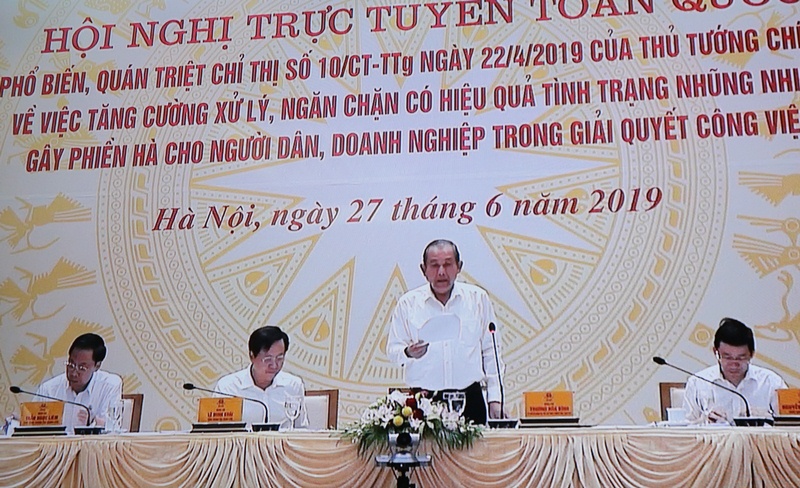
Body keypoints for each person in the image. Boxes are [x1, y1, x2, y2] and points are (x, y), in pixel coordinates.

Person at [387, 239, 505, 425]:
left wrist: (495, 399)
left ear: (459, 267)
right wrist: (408, 352)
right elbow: (393, 351)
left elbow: (491, 352)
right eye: (434, 265)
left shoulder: (477, 299)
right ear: (423, 270)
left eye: (448, 264)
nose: (441, 272)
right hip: (424, 403)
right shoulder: (408, 304)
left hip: (469, 399)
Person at [683, 318, 788, 424]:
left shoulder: (771, 382)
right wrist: (704, 422)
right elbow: (684, 427)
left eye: (740, 358)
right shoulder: (697, 383)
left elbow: (791, 424)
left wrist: (768, 419)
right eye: (727, 357)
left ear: (751, 354)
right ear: (716, 352)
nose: (734, 364)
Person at [214, 325, 309, 429]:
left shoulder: (293, 385)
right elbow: (218, 431)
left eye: (279, 358)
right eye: (267, 359)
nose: (274, 365)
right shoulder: (228, 388)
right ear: (252, 356)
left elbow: (301, 429)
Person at [35, 333, 123, 431]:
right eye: (71, 364)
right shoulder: (48, 389)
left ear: (97, 366)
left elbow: (113, 429)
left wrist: (93, 421)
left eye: (82, 368)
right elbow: (30, 426)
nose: (73, 373)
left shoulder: (109, 386)